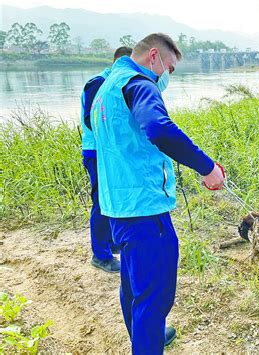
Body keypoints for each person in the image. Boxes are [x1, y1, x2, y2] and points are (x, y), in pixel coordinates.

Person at [91, 33, 225, 354]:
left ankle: (145, 338)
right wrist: (207, 168)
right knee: (154, 295)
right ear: (154, 57)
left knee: (133, 285)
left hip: (118, 208)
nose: (168, 76)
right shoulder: (139, 84)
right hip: (144, 210)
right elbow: (159, 127)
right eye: (171, 68)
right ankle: (148, 341)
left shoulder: (105, 87)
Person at [81, 46, 132, 273]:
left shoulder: (116, 83)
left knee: (111, 196)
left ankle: (111, 243)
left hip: (110, 151)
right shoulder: (98, 83)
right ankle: (100, 255)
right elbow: (92, 119)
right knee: (101, 200)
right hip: (96, 151)